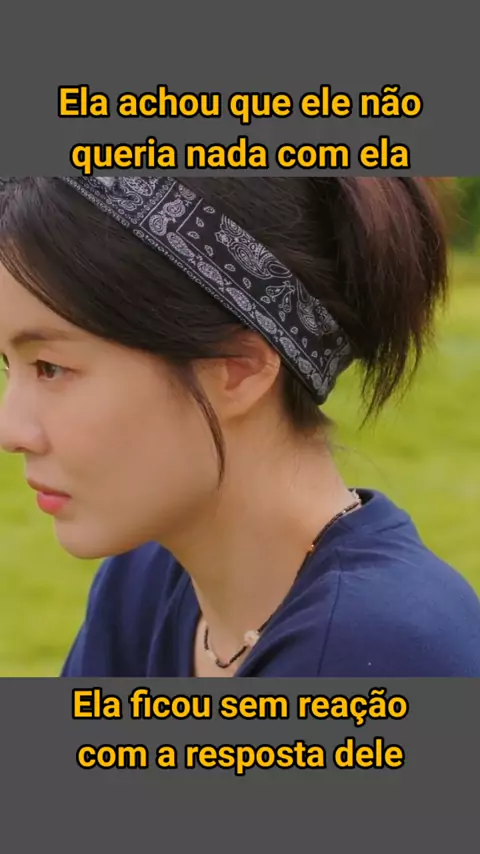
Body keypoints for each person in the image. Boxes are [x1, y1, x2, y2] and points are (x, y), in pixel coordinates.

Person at [0, 175, 479, 678]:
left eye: (50, 367)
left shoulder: (381, 649)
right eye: (9, 366)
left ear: (237, 368)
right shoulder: (142, 584)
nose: (11, 432)